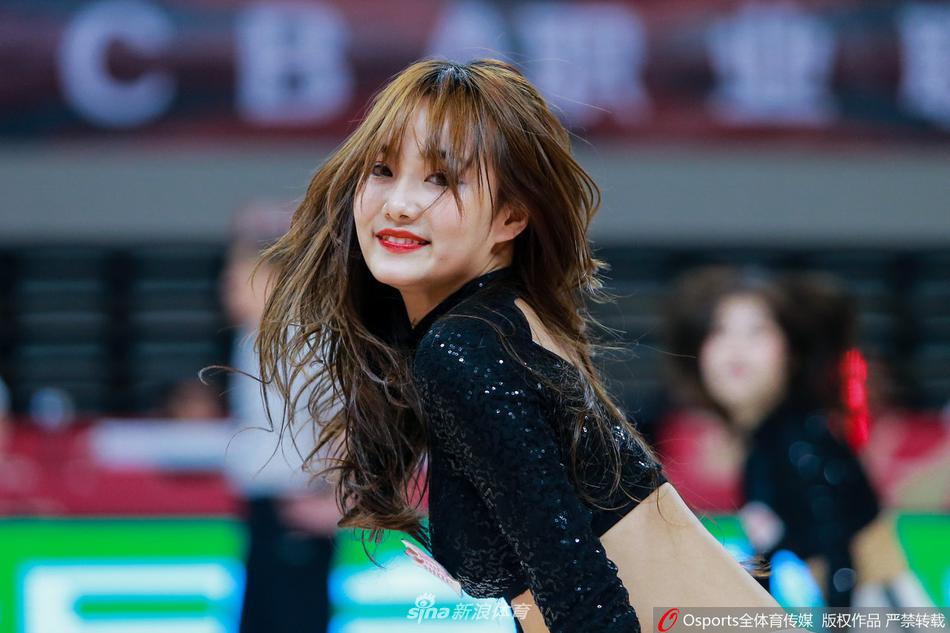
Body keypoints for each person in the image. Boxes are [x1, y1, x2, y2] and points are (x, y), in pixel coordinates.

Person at [252, 58, 780, 633]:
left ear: (511, 216)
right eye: (382, 170)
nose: (399, 203)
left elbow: (587, 605)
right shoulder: (504, 322)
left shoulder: (466, 349)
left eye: (441, 179)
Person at [663, 265, 932, 607]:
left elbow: (840, 556)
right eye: (719, 331)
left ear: (791, 353)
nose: (735, 348)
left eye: (757, 331)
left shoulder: (804, 444)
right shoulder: (762, 449)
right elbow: (768, 553)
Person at [218, 205, 340, 633]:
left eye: (235, 280)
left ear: (269, 280)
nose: (225, 290)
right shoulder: (252, 338)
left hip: (297, 508)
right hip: (265, 509)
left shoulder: (302, 341)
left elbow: (348, 421)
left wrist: (338, 502)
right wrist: (251, 228)